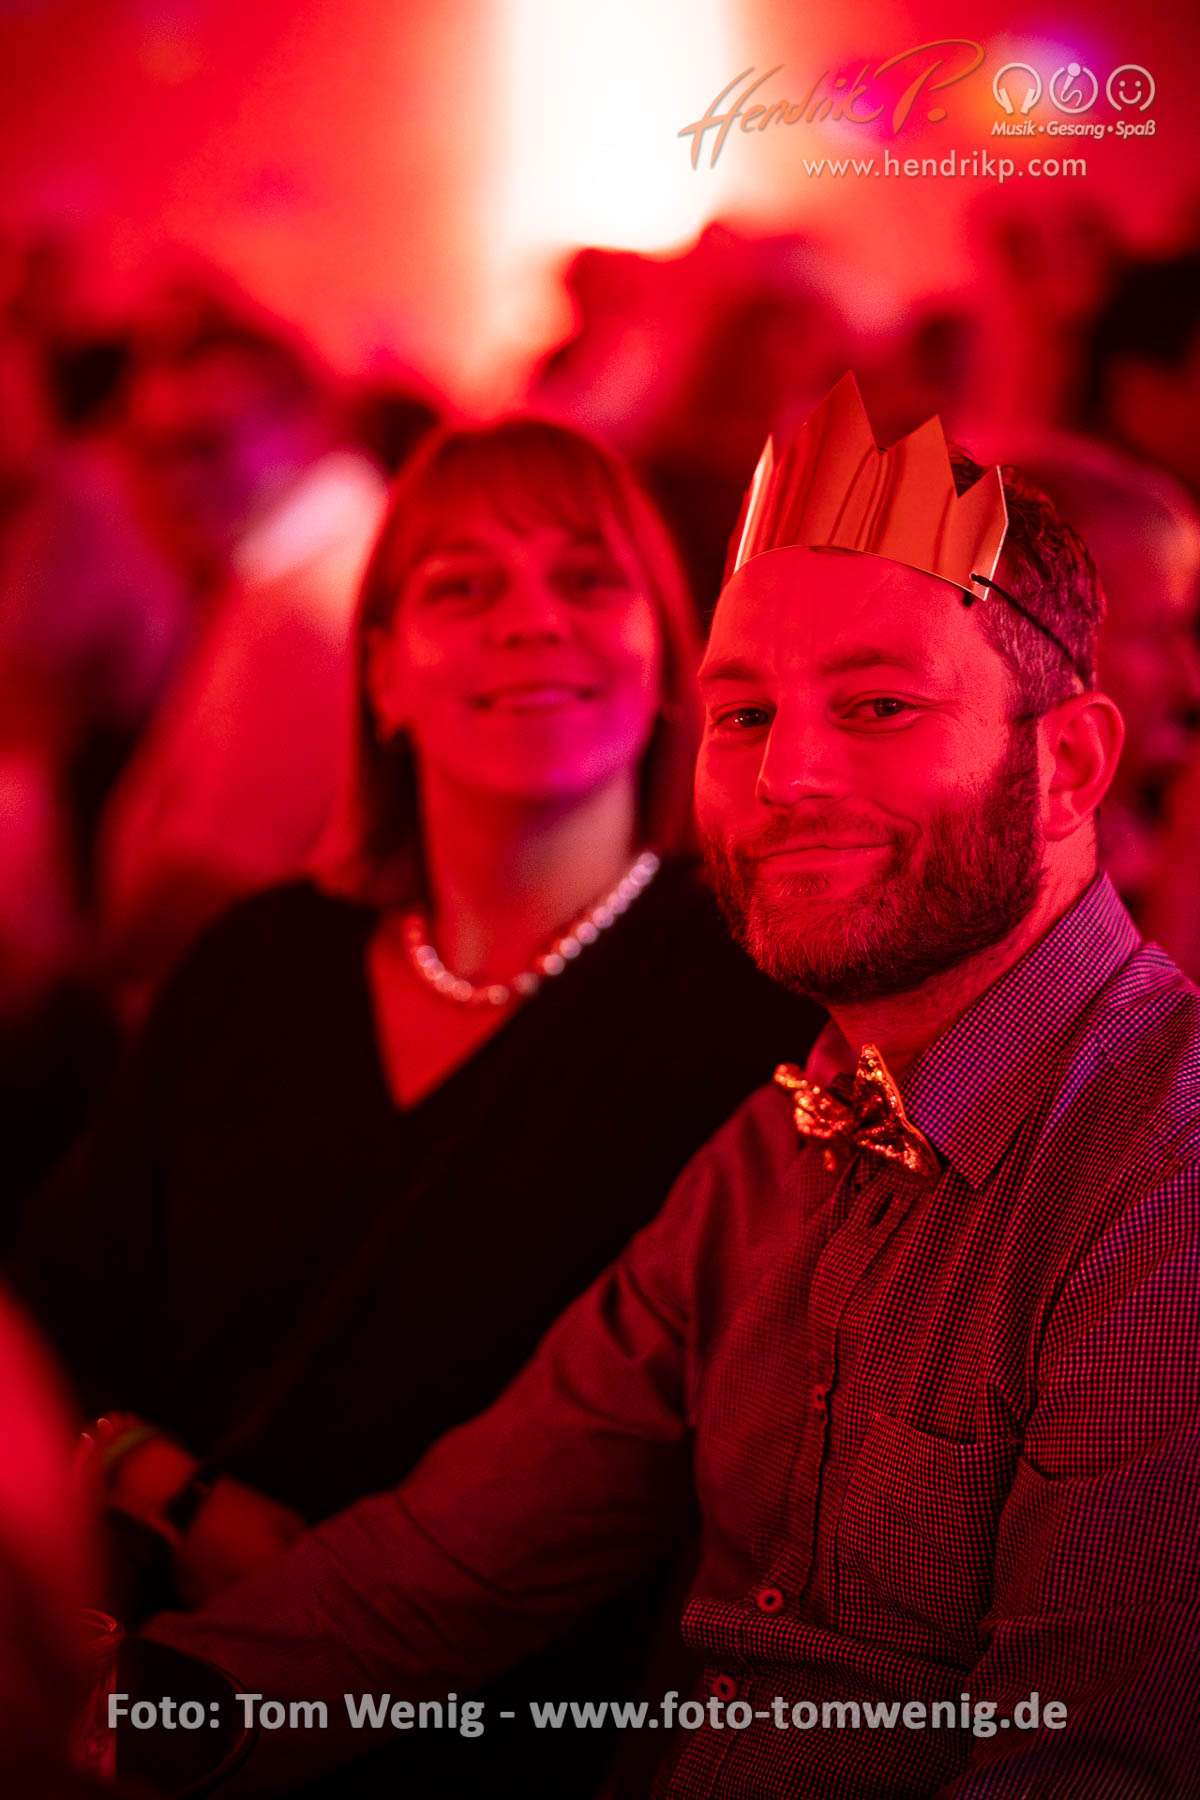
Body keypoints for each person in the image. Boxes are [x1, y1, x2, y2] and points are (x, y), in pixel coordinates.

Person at [136, 375, 1200, 1798]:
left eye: (879, 706)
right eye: (744, 715)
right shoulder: (778, 1147)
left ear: (1066, 763)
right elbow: (445, 1568)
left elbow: (1093, 1767)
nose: (789, 776)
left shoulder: (1164, 1168)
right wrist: (122, 1721)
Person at [12, 417, 818, 1797]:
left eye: (588, 580)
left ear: (667, 660)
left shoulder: (760, 1004)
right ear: (382, 673)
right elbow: (54, 1321)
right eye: (464, 585)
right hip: (170, 1714)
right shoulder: (260, 962)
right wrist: (166, 1488)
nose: (532, 621)